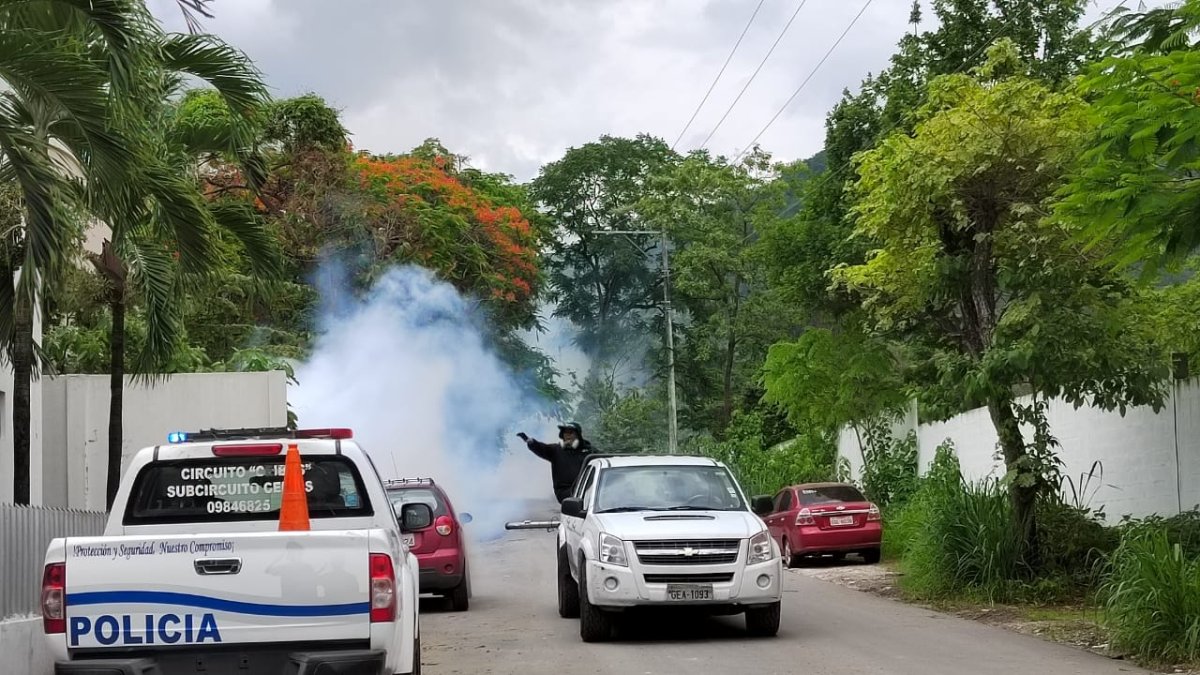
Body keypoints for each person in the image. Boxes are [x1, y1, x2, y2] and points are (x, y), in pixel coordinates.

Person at [517, 422, 595, 503]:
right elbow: (541, 448)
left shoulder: (589, 451)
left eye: (571, 433)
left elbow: (604, 458)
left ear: (578, 435)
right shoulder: (556, 450)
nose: (567, 435)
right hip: (565, 491)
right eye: (565, 433)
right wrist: (530, 442)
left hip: (587, 487)